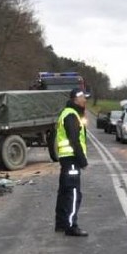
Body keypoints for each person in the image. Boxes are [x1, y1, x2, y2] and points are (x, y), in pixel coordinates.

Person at [54, 88, 89, 237]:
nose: (85, 100)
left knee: (64, 191)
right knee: (73, 193)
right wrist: (83, 161)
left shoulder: (68, 113)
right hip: (72, 159)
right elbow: (74, 140)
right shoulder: (71, 115)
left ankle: (61, 224)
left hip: (66, 159)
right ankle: (71, 226)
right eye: (83, 98)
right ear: (76, 99)